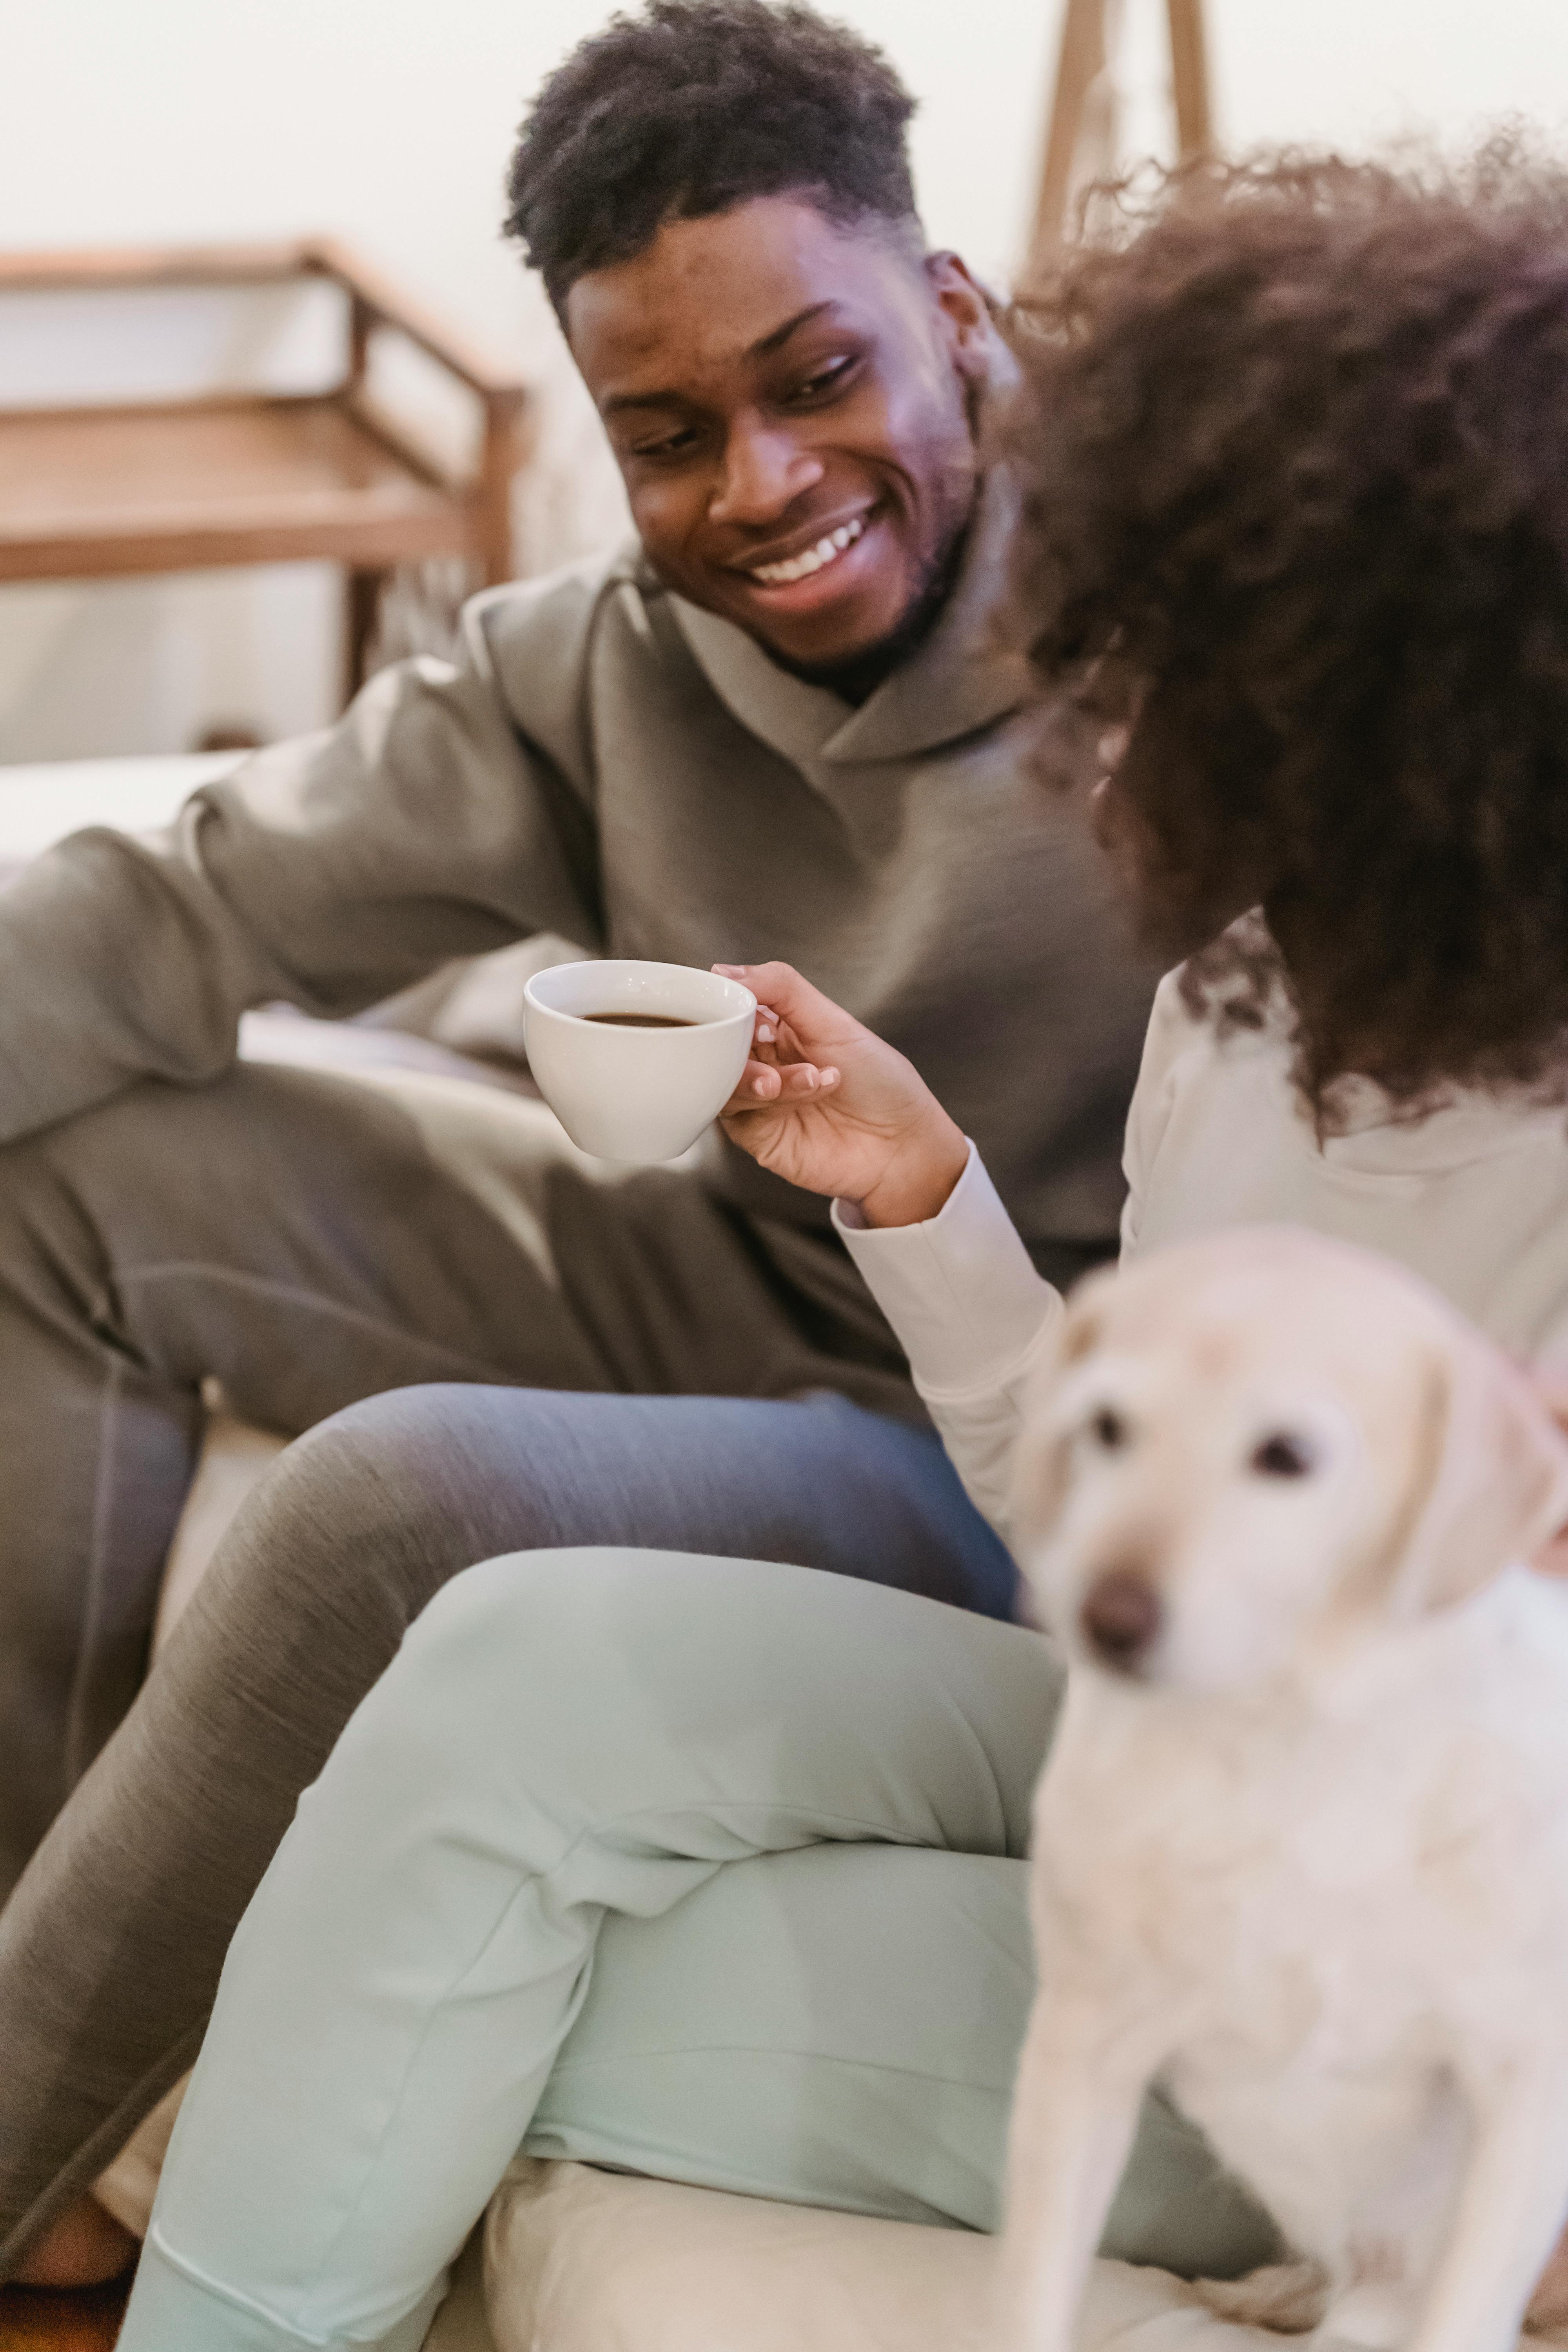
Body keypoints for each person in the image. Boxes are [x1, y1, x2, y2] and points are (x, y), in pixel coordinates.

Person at [58, 139, 1568, 2349]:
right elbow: (1096, 1517)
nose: (1107, 714)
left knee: (525, 1988)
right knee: (503, 1670)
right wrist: (926, 1197)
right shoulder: (1241, 1004)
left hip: (1394, 1980)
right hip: (1135, 1732)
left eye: (1181, 660)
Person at [0, 0, 1160, 2269]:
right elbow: (182, 902)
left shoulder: (1208, 633)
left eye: (816, 380)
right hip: (733, 1284)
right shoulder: (595, 671)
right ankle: (46, 1965)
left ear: (952, 310)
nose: (758, 484)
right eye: (667, 433)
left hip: (1022, 1434)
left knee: (397, 1495)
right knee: (67, 1190)